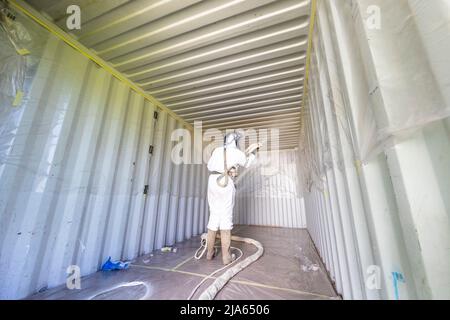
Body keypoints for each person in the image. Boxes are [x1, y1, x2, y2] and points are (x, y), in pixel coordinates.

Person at [206, 132, 260, 265]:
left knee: (213, 217)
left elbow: (209, 166)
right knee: (225, 219)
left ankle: (209, 253)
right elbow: (246, 163)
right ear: (235, 142)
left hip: (213, 181)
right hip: (225, 183)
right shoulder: (237, 152)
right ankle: (226, 257)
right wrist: (254, 152)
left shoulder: (217, 150)